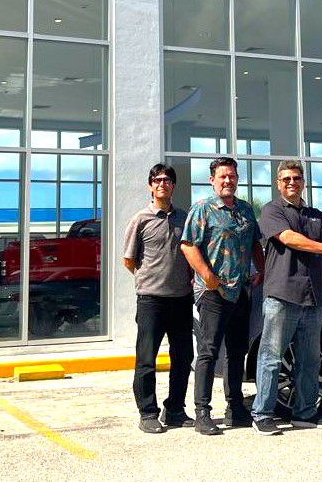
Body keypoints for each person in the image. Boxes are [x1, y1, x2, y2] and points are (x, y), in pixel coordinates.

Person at [250, 159, 322, 436]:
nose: (292, 183)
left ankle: (305, 413)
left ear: (303, 182)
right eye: (286, 179)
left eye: (297, 178)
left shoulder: (315, 214)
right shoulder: (272, 211)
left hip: (311, 296)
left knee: (310, 359)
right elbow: (290, 238)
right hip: (282, 295)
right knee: (271, 357)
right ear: (279, 184)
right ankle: (262, 414)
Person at [180, 156, 265, 436]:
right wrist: (207, 276)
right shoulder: (203, 208)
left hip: (241, 289)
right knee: (208, 352)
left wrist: (261, 270)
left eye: (232, 176)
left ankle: (235, 407)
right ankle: (202, 412)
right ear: (212, 180)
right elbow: (188, 246)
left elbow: (255, 243)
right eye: (222, 176)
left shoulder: (245, 210)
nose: (228, 181)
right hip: (213, 292)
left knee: (237, 351)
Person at [122, 163, 195, 434]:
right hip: (151, 300)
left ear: (173, 186)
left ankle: (175, 409)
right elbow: (129, 260)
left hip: (181, 299)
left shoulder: (184, 219)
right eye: (157, 180)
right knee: (146, 359)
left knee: (183, 357)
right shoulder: (140, 219)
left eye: (167, 180)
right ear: (150, 186)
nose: (162, 184)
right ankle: (148, 412)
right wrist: (148, 281)